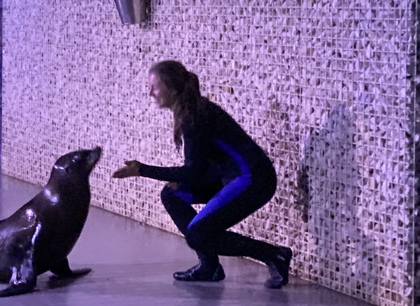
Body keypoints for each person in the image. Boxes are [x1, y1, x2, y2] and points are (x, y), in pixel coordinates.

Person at [112, 60, 293, 288]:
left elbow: (191, 171)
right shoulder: (190, 110)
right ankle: (209, 266)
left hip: (254, 179)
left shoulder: (194, 117)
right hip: (229, 176)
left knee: (198, 235)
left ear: (172, 88)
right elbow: (200, 167)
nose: (150, 93)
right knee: (172, 194)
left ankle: (274, 254)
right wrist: (181, 180)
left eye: (155, 87)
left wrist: (141, 170)